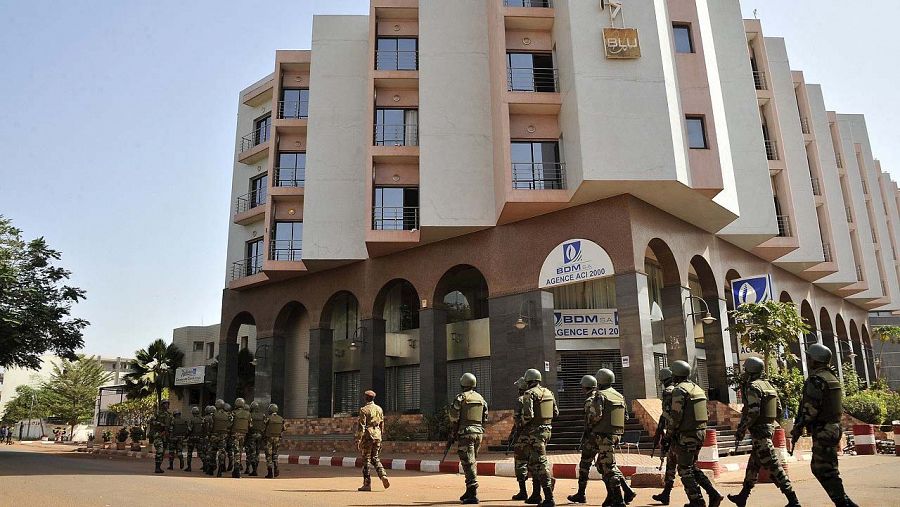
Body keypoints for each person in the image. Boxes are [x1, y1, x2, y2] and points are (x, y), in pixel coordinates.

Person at [792, 344, 858, 507]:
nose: (808, 361)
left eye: (809, 358)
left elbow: (811, 409)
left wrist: (799, 426)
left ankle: (843, 503)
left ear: (815, 360)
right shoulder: (831, 377)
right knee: (824, 468)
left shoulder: (816, 379)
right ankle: (843, 501)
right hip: (833, 427)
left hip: (824, 429)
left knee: (824, 469)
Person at [728, 357, 800, 506]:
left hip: (760, 432)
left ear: (750, 370)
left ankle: (793, 499)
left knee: (773, 465)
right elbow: (778, 409)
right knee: (753, 464)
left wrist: (742, 429)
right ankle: (743, 496)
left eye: (746, 369)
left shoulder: (753, 386)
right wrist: (770, 424)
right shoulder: (768, 386)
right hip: (767, 428)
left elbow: (753, 411)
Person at [667, 360, 723, 507]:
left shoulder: (679, 390)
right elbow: (706, 412)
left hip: (686, 434)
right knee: (692, 467)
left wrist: (669, 434)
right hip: (699, 432)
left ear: (676, 375)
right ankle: (713, 494)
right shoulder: (696, 388)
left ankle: (696, 501)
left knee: (684, 469)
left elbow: (676, 415)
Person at [521, 368, 559, 507]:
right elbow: (555, 413)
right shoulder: (549, 392)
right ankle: (536, 495)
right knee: (533, 462)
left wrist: (522, 425)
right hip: (547, 430)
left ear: (528, 380)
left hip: (535, 432)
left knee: (540, 464)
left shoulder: (529, 394)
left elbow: (528, 415)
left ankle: (549, 498)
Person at [448, 373, 488, 504]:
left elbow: (454, 418)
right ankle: (469, 489)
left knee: (468, 462)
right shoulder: (481, 398)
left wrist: (453, 433)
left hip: (466, 433)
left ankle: (473, 493)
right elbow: (485, 417)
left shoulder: (461, 398)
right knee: (471, 461)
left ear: (462, 384)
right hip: (478, 433)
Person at [652, 368, 679, 506]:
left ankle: (710, 494)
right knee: (671, 464)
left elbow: (667, 414)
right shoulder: (679, 389)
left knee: (689, 469)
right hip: (681, 432)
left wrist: (666, 435)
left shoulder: (669, 391)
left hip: (676, 433)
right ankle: (666, 494)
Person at [355, 390, 391, 492]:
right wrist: (380, 435)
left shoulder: (364, 410)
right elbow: (382, 424)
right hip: (377, 435)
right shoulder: (379, 409)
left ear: (366, 398)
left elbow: (361, 426)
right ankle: (383, 475)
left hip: (368, 436)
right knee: (375, 457)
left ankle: (367, 484)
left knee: (366, 460)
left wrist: (358, 439)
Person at [511, 376, 531, 501]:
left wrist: (515, 433)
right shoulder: (537, 397)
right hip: (538, 435)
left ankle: (523, 491)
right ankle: (543, 486)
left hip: (524, 436)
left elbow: (517, 420)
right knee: (536, 462)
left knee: (520, 463)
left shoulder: (521, 399)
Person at [209, 398, 232, 477]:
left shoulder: (213, 415)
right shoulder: (228, 415)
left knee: (212, 452)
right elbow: (230, 426)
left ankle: (211, 469)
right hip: (224, 436)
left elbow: (210, 426)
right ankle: (220, 468)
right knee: (222, 452)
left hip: (214, 435)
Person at [229, 398, 251, 478]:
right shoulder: (248, 414)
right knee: (240, 451)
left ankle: (236, 470)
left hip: (235, 434)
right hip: (243, 434)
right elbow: (250, 425)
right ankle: (238, 469)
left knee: (236, 452)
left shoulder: (233, 413)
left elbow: (230, 424)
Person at [150, 400, 173, 474]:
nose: (167, 405)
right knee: (159, 450)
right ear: (162, 405)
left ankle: (159, 467)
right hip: (158, 434)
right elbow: (151, 421)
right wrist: (160, 424)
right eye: (165, 404)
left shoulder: (170, 414)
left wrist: (170, 430)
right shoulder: (157, 413)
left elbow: (172, 423)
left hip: (166, 435)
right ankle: (157, 467)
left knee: (162, 452)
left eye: (168, 404)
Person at [263, 403, 285, 478]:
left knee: (268, 455)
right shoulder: (281, 419)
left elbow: (263, 427)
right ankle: (276, 468)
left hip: (269, 438)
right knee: (275, 454)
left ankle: (270, 472)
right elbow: (284, 429)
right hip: (277, 438)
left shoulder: (268, 418)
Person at [246, 400, 266, 476]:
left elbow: (249, 426)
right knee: (257, 452)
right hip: (260, 436)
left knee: (252, 453)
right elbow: (264, 426)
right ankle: (255, 469)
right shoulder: (263, 415)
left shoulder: (250, 415)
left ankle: (254, 470)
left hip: (252, 436)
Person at [184, 406, 204, 472]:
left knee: (189, 453)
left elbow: (189, 429)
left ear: (192, 412)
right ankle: (205, 464)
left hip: (192, 438)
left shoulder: (191, 420)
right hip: (199, 438)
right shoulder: (202, 419)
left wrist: (185, 437)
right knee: (201, 453)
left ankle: (189, 467)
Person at [202, 405, 216, 474]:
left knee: (206, 452)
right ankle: (213, 466)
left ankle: (206, 467)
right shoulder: (215, 418)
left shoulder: (205, 418)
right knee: (213, 452)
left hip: (207, 437)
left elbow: (203, 428)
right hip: (214, 437)